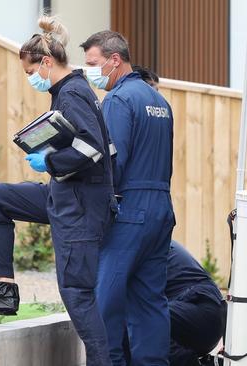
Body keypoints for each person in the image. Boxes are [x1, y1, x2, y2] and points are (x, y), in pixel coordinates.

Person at [0, 16, 115, 366]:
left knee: (78, 296)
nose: (30, 79)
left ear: (45, 62)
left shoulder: (73, 93)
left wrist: (51, 162)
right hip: (65, 196)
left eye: (29, 73)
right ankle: (4, 289)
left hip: (80, 208)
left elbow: (93, 150)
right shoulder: (66, 92)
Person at [81, 31, 176, 366]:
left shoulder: (118, 100)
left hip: (129, 211)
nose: (89, 71)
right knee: (150, 301)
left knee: (105, 301)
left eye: (93, 64)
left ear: (114, 59)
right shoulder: (159, 101)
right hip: (161, 208)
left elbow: (112, 162)